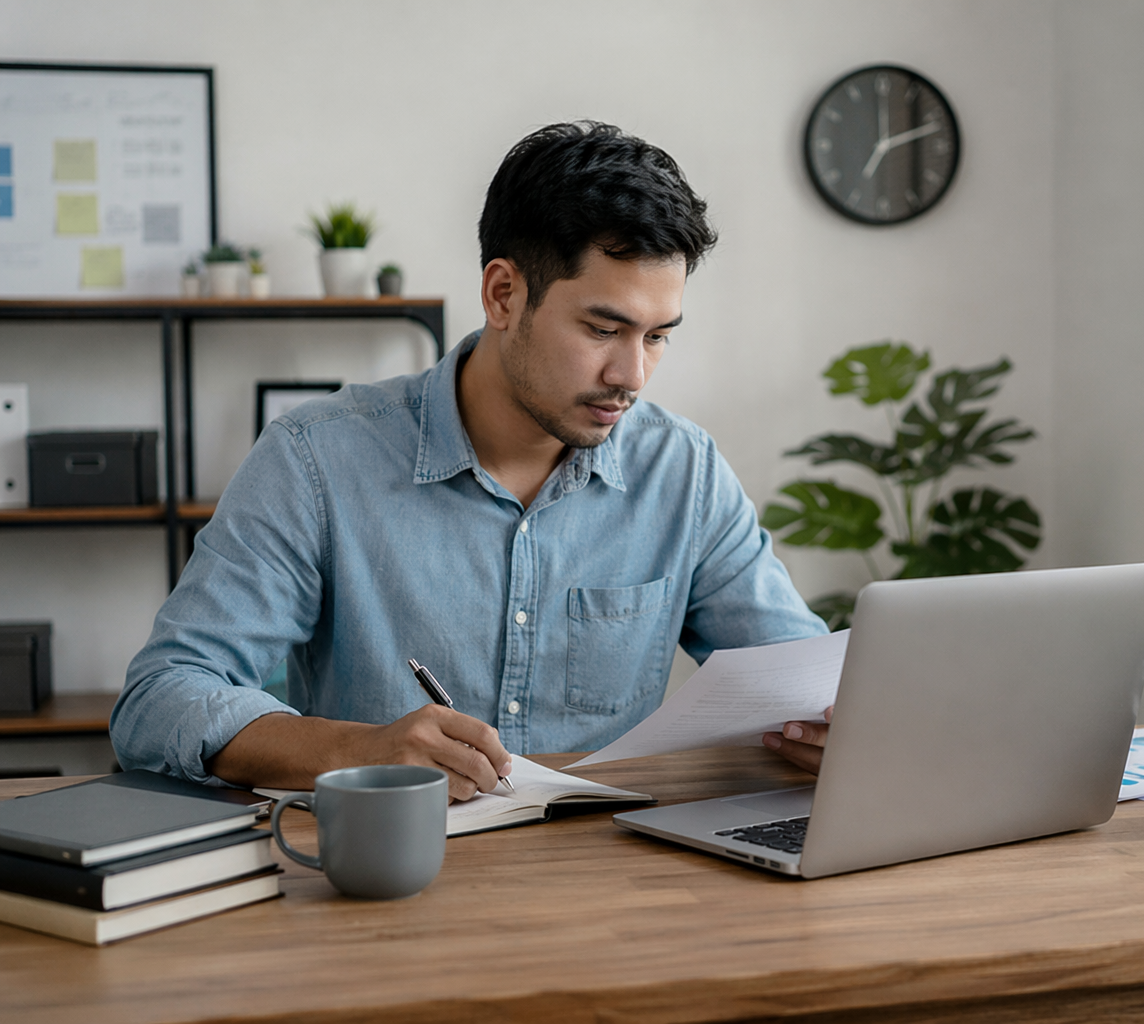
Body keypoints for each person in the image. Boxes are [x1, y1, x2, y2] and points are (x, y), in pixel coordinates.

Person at [110, 122, 834, 800]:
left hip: (610, 875)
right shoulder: (316, 461)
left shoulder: (684, 473)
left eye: (657, 336)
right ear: (503, 294)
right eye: (602, 329)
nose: (632, 375)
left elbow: (807, 682)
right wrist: (360, 749)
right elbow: (158, 701)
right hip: (394, 867)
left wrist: (836, 726)